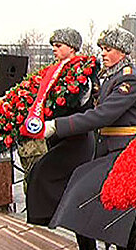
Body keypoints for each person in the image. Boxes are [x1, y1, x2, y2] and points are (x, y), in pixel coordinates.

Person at [47, 27, 136, 250]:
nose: (103, 53)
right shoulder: (110, 78)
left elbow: (102, 116)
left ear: (123, 51)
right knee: (81, 195)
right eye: (102, 49)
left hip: (126, 156)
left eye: (108, 49)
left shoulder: (131, 80)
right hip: (108, 153)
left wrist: (57, 126)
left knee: (123, 216)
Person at [25, 28, 96, 225]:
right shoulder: (56, 71)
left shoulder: (82, 73)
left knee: (43, 173)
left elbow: (78, 103)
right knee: (63, 186)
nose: (54, 50)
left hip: (75, 139)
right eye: (53, 46)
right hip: (59, 137)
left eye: (58, 46)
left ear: (72, 48)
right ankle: (63, 221)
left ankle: (52, 217)